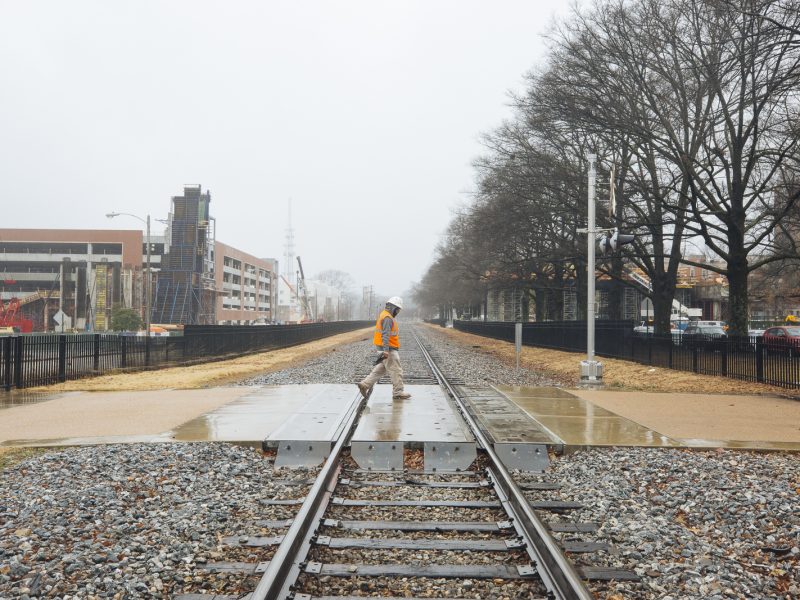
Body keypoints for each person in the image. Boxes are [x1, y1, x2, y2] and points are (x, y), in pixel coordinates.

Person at [357, 296, 411, 400]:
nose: (398, 312)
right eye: (397, 309)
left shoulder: (384, 315)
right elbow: (385, 335)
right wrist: (386, 351)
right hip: (388, 349)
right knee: (396, 370)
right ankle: (398, 392)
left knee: (380, 370)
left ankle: (364, 385)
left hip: (383, 348)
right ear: (393, 308)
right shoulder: (387, 318)